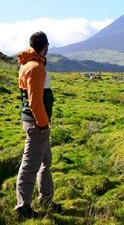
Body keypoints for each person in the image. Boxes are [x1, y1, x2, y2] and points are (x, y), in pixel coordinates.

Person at [15, 31, 61, 219]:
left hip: (35, 122)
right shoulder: (35, 67)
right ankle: (23, 207)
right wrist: (43, 125)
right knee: (30, 164)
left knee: (45, 161)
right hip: (37, 124)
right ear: (45, 46)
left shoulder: (29, 63)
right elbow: (35, 102)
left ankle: (46, 199)